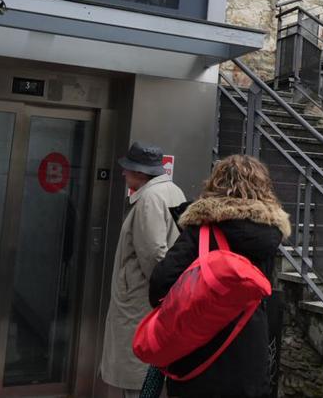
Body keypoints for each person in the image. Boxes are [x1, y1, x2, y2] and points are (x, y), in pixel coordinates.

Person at [149, 155, 290, 398]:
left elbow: (159, 286)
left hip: (198, 355)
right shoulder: (268, 237)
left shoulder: (201, 231)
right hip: (250, 355)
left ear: (216, 183)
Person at [101, 142, 187, 397]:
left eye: (127, 169)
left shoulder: (150, 198)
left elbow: (152, 254)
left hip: (141, 298)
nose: (123, 173)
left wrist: (162, 292)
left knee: (138, 374)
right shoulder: (174, 191)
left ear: (140, 172)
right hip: (158, 299)